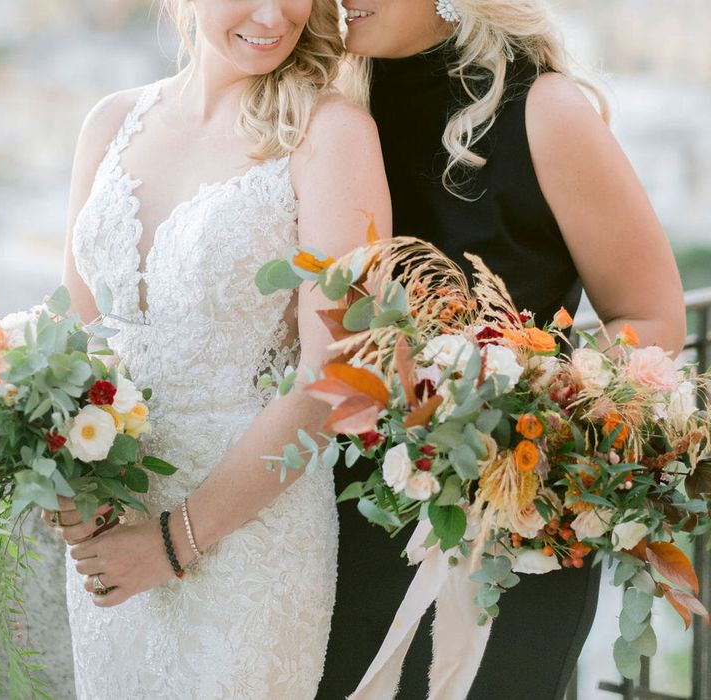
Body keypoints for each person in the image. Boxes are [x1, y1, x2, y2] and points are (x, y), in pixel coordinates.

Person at [318, 1, 686, 698]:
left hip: (503, 534)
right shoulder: (317, 103)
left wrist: (529, 425)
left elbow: (650, 313)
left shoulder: (542, 109)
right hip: (340, 527)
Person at [39, 0, 390, 697]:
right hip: (111, 527)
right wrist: (71, 488)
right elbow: (74, 347)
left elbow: (340, 373)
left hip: (246, 537)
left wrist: (176, 542)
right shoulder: (109, 122)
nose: (273, 13)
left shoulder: (331, 133)